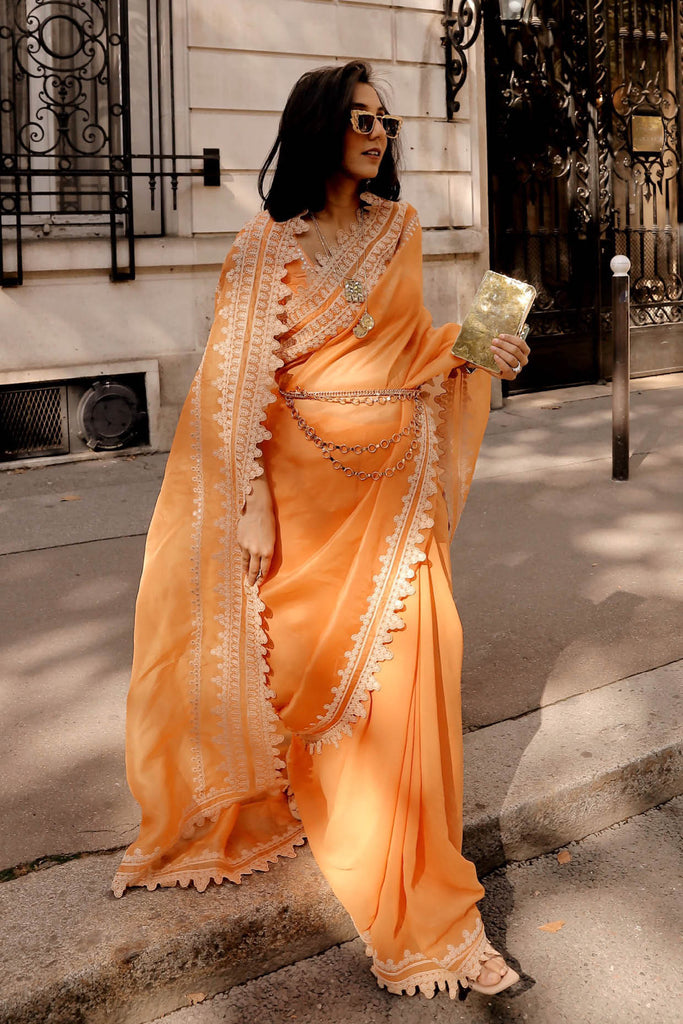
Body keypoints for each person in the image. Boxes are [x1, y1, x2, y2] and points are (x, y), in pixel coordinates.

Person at [112, 59, 530, 1000]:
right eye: (357, 117)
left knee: (419, 668)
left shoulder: (402, 229)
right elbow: (230, 387)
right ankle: (315, 805)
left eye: (384, 120)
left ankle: (427, 913)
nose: (376, 132)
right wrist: (251, 504)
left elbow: (418, 346)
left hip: (391, 493)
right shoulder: (267, 247)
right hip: (300, 498)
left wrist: (486, 346)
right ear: (317, 129)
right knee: (310, 678)